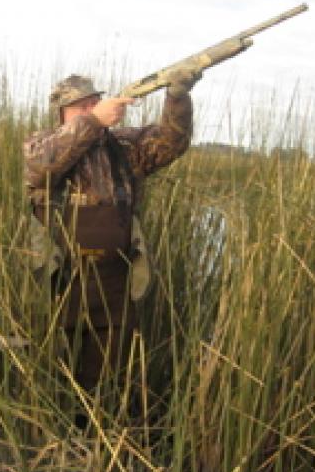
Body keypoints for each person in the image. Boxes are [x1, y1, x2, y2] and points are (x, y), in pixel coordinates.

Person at [23, 69, 201, 408]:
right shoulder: (42, 143)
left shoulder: (124, 146)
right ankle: (56, 433)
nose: (90, 108)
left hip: (115, 280)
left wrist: (178, 96)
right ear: (62, 113)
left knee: (110, 372)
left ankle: (101, 434)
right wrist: (92, 122)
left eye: (94, 102)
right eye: (80, 106)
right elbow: (40, 168)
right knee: (54, 363)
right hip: (61, 278)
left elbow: (171, 143)